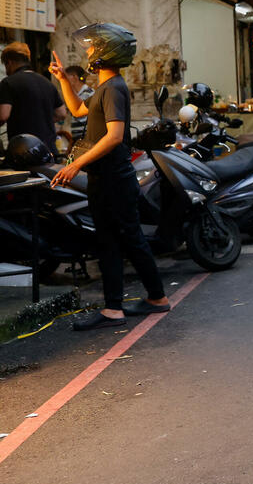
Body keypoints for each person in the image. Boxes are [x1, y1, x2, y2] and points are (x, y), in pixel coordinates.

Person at [48, 23, 169, 330]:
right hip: (107, 178)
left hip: (114, 179)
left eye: (91, 47)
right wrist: (63, 79)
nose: (87, 51)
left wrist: (75, 165)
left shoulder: (113, 88)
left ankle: (148, 299)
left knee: (125, 239)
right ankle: (123, 305)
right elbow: (76, 109)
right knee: (114, 241)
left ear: (103, 52)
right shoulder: (104, 88)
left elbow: (115, 136)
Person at [0, 42, 67, 155]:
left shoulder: (8, 83)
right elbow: (61, 113)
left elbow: (3, 115)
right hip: (49, 151)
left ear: (9, 62)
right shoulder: (46, 82)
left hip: (25, 152)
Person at [63, 65, 95, 140]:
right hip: (78, 138)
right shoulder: (76, 94)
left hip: (86, 138)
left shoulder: (88, 93)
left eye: (66, 76)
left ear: (74, 77)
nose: (64, 80)